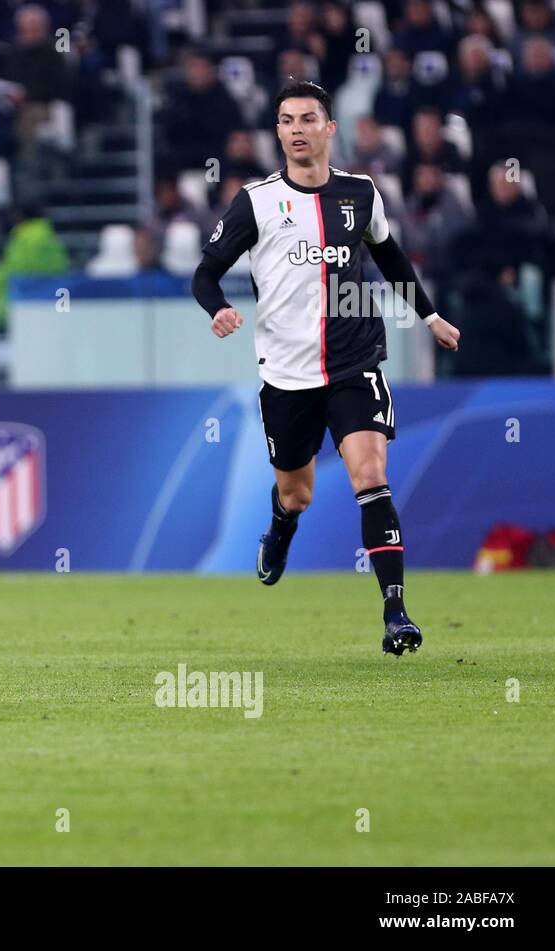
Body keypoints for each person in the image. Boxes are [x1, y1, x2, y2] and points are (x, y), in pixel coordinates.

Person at [191, 82, 461, 656]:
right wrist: (217, 308)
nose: (295, 129)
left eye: (307, 119)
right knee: (297, 493)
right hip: (287, 374)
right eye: (285, 120)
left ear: (329, 128)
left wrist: (429, 316)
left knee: (370, 475)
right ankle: (281, 528)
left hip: (355, 360)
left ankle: (396, 613)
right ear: (278, 132)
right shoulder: (256, 202)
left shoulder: (361, 194)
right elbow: (204, 272)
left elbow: (390, 256)